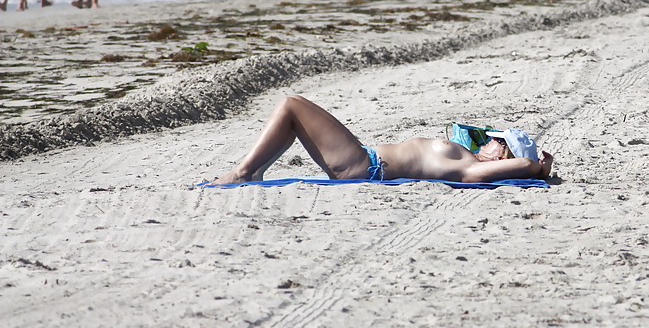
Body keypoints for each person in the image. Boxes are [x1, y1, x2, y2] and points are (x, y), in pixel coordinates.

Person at [209, 95, 554, 185]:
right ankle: (252, 171)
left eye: (495, 141)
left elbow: (522, 164)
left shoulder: (469, 167)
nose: (487, 141)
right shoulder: (468, 159)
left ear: (501, 156)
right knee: (293, 114)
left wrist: (535, 169)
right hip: (364, 160)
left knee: (291, 106)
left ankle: (245, 173)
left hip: (364, 166)